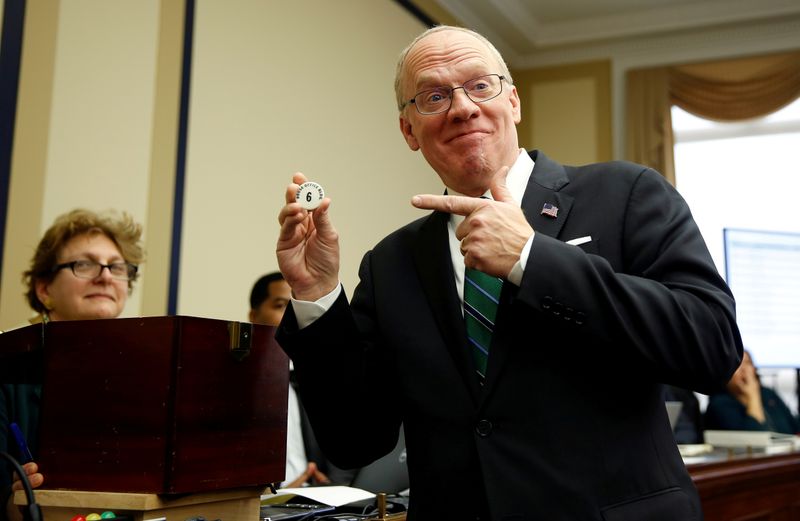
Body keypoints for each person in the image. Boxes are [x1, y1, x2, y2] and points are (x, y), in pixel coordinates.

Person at [275, 25, 743, 520]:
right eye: (433, 96)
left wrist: (531, 258)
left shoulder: (627, 194)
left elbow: (710, 349)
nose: (462, 107)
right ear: (409, 131)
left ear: (513, 102)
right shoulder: (392, 263)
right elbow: (354, 440)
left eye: (480, 85)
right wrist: (319, 295)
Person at [1, 208, 144, 521]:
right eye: (84, 264)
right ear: (44, 289)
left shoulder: (145, 377)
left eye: (116, 267)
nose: (105, 276)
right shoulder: (6, 370)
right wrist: (14, 506)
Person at [705, 350, 799, 434]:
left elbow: (795, 426)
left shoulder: (768, 394)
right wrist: (753, 396)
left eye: (747, 363)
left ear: (754, 369)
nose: (744, 369)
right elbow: (755, 438)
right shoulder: (720, 403)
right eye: (737, 365)